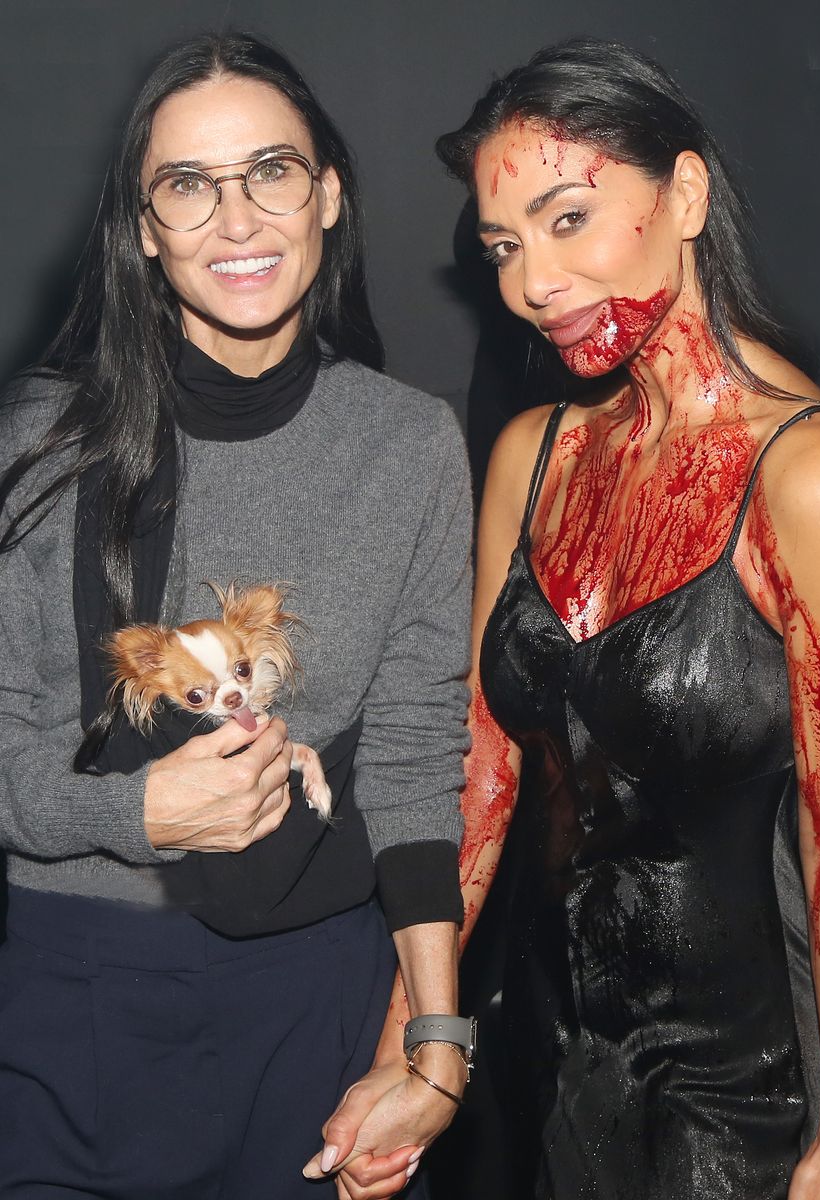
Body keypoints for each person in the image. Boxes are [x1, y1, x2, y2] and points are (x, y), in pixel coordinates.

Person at [0, 31, 472, 1200]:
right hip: (78, 1007)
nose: (237, 219)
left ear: (327, 197)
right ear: (145, 230)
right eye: (188, 186)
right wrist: (133, 810)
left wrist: (437, 1048)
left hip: (317, 1002)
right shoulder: (39, 444)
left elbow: (417, 760)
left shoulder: (410, 446)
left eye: (272, 171)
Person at [433, 37, 820, 1200]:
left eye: (570, 220)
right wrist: (415, 1035)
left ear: (689, 194)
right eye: (504, 248)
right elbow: (480, 770)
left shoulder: (807, 476)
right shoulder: (536, 453)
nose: (532, 283)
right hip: (539, 1056)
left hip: (738, 1096)